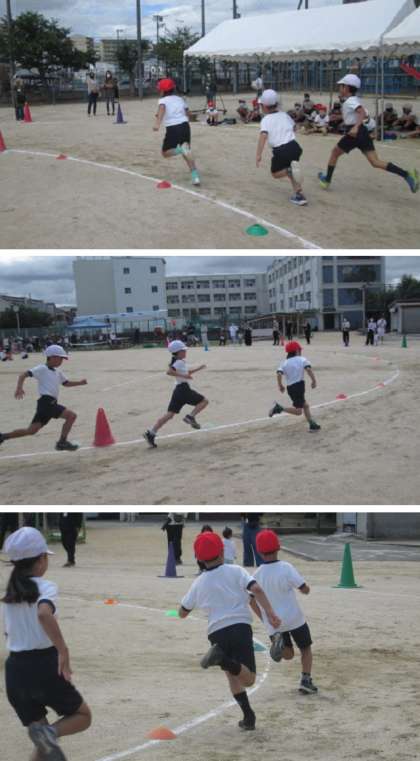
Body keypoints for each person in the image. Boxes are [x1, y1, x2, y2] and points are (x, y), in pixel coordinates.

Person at [2, 526, 92, 761]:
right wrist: (63, 649)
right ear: (41, 559)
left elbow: (8, 634)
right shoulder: (45, 587)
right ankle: (49, 732)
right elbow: (43, 613)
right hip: (43, 666)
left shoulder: (9, 595)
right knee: (83, 717)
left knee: (44, 746)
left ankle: (45, 734)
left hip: (15, 671)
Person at [179, 531, 281, 731]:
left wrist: (186, 608)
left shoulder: (198, 582)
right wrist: (270, 613)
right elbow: (256, 590)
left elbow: (182, 612)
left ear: (199, 558)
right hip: (239, 626)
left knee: (232, 676)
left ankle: (248, 716)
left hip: (216, 632)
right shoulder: (235, 570)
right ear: (221, 551)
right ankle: (222, 660)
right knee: (248, 679)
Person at [318, 74, 419, 194]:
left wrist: (355, 127)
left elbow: (361, 112)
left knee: (334, 153)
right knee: (375, 162)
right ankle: (407, 175)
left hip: (354, 133)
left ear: (346, 88)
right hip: (363, 133)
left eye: (341, 86)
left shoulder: (351, 101)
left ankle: (327, 180)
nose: (339, 88)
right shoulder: (353, 100)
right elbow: (363, 113)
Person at [251, 529, 318, 695]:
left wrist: (264, 618)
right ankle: (306, 680)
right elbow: (304, 588)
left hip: (273, 622)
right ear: (278, 547)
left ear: (259, 551)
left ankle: (280, 644)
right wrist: (306, 589)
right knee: (305, 648)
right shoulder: (286, 567)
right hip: (293, 618)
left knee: (288, 655)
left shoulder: (257, 574)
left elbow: (251, 599)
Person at [0, 345, 87, 452]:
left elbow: (66, 383)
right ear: (52, 357)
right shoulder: (42, 368)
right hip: (47, 402)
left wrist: (80, 383)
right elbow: (23, 375)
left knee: (31, 430)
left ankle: (2, 436)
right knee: (71, 416)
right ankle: (62, 442)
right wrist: (19, 388)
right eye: (61, 358)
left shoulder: (57, 371)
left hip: (46, 404)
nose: (62, 361)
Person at [143, 340, 208, 448]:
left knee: (170, 414)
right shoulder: (179, 362)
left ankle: (151, 433)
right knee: (204, 401)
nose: (185, 352)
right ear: (178, 352)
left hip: (178, 391)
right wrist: (184, 376)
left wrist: (199, 368)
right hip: (183, 389)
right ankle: (190, 417)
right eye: (183, 350)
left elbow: (186, 372)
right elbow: (169, 372)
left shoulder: (179, 361)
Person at [256, 89, 307, 206]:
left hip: (281, 150)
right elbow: (294, 128)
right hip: (294, 147)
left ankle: (290, 171)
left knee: (276, 173)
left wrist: (258, 154)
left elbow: (263, 136)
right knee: (293, 169)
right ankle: (299, 194)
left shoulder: (265, 120)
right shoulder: (284, 115)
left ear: (264, 106)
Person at [153, 78, 201, 187]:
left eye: (159, 89)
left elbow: (162, 109)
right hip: (185, 126)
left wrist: (157, 124)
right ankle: (195, 177)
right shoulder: (180, 99)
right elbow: (188, 113)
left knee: (165, 153)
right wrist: (192, 117)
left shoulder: (162, 101)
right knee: (187, 152)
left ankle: (180, 149)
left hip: (173, 128)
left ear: (163, 91)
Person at [269, 340, 321, 433]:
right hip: (299, 387)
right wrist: (313, 381)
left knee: (305, 405)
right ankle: (279, 408)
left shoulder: (284, 362)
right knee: (298, 411)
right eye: (299, 350)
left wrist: (280, 385)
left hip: (291, 388)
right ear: (296, 350)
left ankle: (312, 425)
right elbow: (308, 369)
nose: (300, 351)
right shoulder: (302, 359)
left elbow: (279, 374)